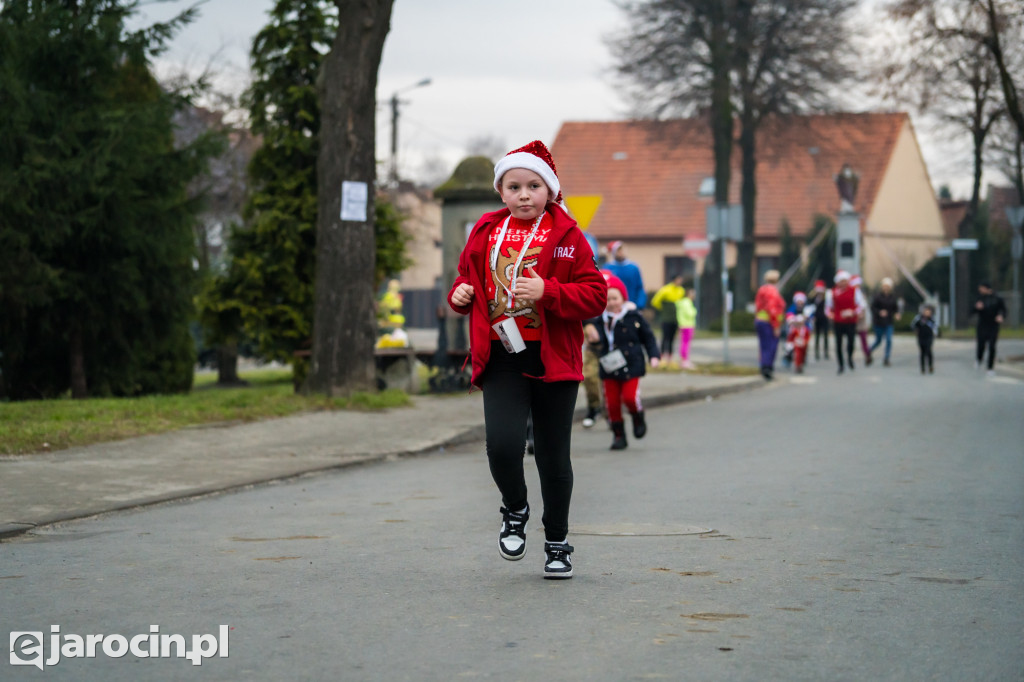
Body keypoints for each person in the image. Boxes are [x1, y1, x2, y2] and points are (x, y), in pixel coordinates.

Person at [447, 140, 606, 580]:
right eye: (514, 186)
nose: (523, 195)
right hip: (502, 355)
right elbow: (466, 278)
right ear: (501, 191)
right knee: (502, 446)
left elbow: (595, 296)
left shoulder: (569, 235)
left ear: (549, 189)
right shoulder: (485, 230)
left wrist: (547, 291)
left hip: (553, 358)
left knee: (552, 457)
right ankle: (515, 509)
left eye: (533, 186)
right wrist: (460, 294)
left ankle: (557, 543)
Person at [586, 272, 660, 450]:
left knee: (629, 398)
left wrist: (654, 355)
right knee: (612, 404)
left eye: (615, 298)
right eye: (607, 299)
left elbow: (648, 338)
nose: (611, 303)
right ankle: (618, 435)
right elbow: (595, 341)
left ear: (623, 298)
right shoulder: (599, 320)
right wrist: (593, 339)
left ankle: (637, 415)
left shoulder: (634, 316)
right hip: (609, 366)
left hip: (631, 365)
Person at [826, 270, 866, 375]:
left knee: (851, 342)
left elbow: (861, 305)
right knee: (838, 344)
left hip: (850, 321)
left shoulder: (854, 291)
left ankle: (850, 358)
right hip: (838, 321)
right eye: (841, 281)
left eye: (845, 281)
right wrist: (830, 315)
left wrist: (853, 312)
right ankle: (841, 365)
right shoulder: (832, 292)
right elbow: (828, 308)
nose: (843, 283)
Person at [754, 270, 786, 380]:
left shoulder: (762, 289)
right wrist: (776, 325)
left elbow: (758, 306)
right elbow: (773, 309)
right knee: (771, 346)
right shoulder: (773, 291)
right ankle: (767, 368)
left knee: (763, 346)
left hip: (760, 320)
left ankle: (763, 366)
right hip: (769, 323)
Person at [970, 282, 1007, 375]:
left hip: (993, 325)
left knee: (992, 346)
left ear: (986, 288)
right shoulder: (980, 298)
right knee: (981, 344)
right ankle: (979, 359)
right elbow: (972, 311)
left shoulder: (997, 299)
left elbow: (1003, 310)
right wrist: (976, 307)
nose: (980, 291)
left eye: (981, 289)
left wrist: (1001, 316)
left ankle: (990, 368)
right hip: (982, 325)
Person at [602, 240, 647, 309]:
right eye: (618, 250)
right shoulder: (608, 268)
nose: (621, 253)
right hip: (613, 306)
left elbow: (639, 287)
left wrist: (640, 304)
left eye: (622, 250)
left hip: (631, 304)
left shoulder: (633, 268)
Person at [651, 274, 685, 362]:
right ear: (674, 280)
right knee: (665, 337)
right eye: (678, 279)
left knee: (672, 338)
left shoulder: (681, 290)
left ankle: (670, 357)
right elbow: (655, 301)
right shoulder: (666, 289)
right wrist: (663, 309)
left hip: (676, 318)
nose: (680, 281)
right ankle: (661, 356)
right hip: (666, 318)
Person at [869, 277, 900, 367]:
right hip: (878, 322)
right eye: (885, 286)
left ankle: (886, 358)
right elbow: (872, 308)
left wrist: (897, 314)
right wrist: (879, 312)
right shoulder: (877, 297)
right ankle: (869, 351)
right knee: (878, 341)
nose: (886, 288)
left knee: (889, 340)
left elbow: (895, 308)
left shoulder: (893, 297)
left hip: (888, 322)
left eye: (888, 286)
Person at [851, 275, 873, 365]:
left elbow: (864, 307)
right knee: (851, 340)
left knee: (863, 339)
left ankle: (867, 355)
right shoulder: (852, 293)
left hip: (861, 320)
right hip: (852, 319)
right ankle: (850, 357)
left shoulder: (860, 294)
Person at [911, 304, 939, 374]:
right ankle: (922, 368)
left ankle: (930, 366)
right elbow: (913, 325)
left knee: (928, 350)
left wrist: (935, 333)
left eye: (928, 311)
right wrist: (915, 330)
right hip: (921, 337)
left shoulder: (932, 319)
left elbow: (935, 327)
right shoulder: (919, 318)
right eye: (925, 311)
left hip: (929, 337)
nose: (927, 312)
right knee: (922, 352)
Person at [676, 286, 698, 369]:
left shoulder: (683, 302)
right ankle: (684, 361)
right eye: (693, 293)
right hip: (687, 325)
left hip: (683, 325)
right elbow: (690, 313)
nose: (694, 295)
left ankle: (684, 360)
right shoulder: (687, 302)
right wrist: (695, 311)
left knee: (684, 343)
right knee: (686, 344)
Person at [810, 280, 830, 361]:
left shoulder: (826, 298)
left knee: (825, 335)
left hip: (825, 318)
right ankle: (816, 352)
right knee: (817, 336)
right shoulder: (814, 297)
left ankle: (826, 352)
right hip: (817, 318)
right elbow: (810, 306)